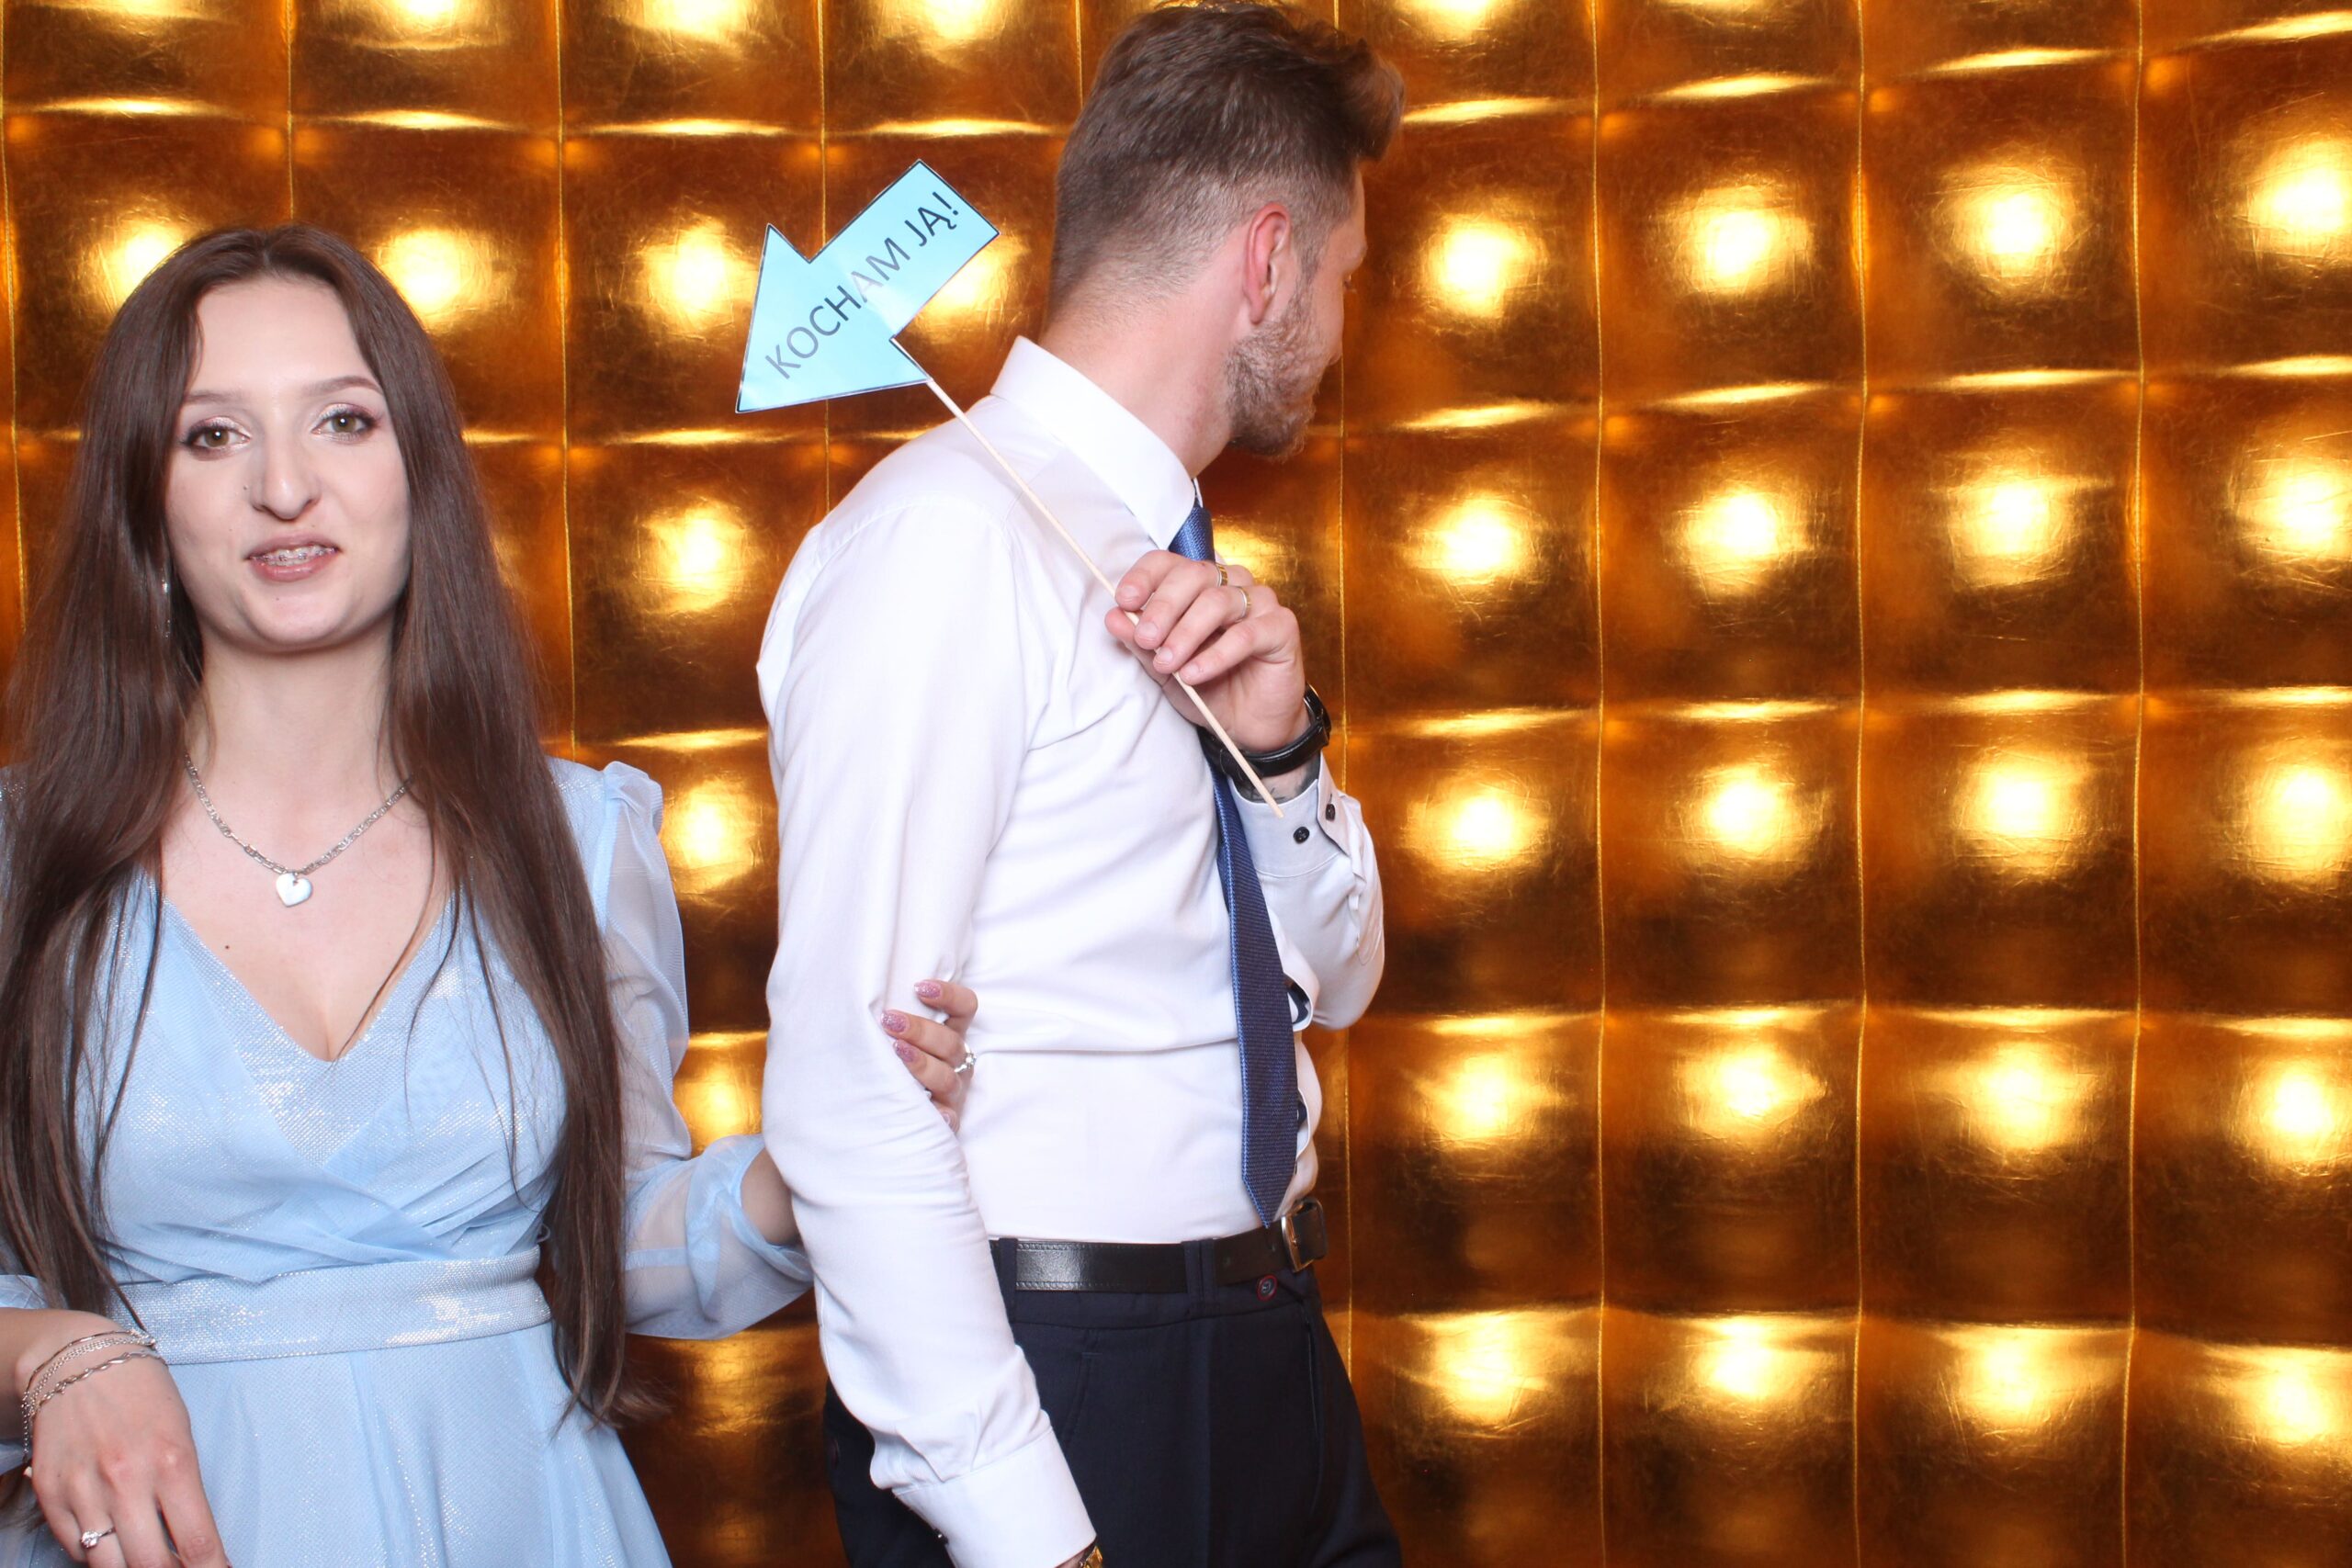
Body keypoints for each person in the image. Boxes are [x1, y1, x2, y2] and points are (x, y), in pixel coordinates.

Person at [0, 224, 970, 1568]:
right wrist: (45, 1351)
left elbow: (623, 1239)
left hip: (525, 1514)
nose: (284, 486)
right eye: (211, 436)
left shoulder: (577, 842)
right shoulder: (24, 860)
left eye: (343, 421)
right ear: (143, 503)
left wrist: (826, 1158)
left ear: (421, 472)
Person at [758, 5, 1404, 1564]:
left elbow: (1340, 981)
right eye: (1344, 276)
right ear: (1267, 262)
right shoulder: (944, 539)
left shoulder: (1172, 564)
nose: (1339, 329)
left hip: (1268, 1346)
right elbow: (852, 1085)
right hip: (1069, 1381)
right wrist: (1026, 1528)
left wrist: (1279, 757)